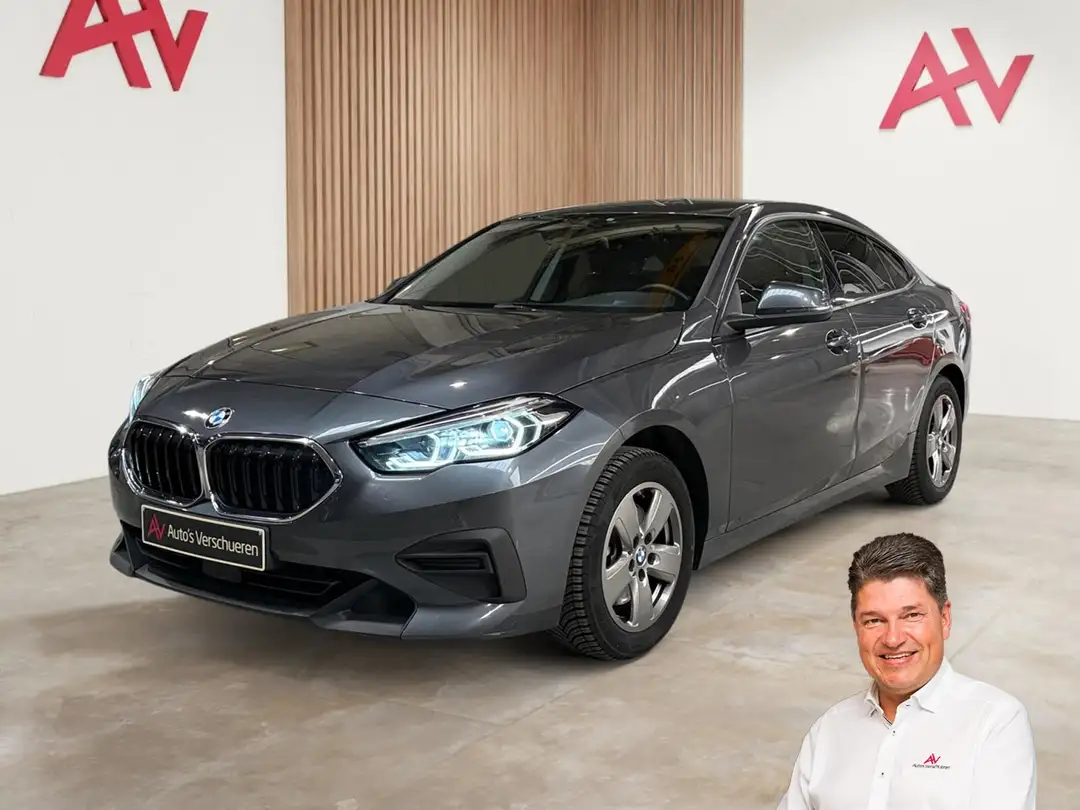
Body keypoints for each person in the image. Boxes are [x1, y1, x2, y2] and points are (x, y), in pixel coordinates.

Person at [776, 532, 1037, 810]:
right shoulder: (830, 729)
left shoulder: (994, 722)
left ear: (945, 618)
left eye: (911, 615)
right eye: (874, 620)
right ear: (856, 628)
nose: (893, 638)